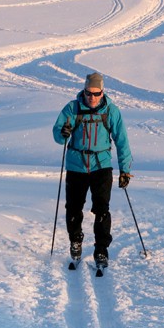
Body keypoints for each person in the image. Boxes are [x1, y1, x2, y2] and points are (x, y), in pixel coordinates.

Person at [52, 73, 132, 274]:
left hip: (101, 166)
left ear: (102, 92)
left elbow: (122, 141)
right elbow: (58, 134)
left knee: (102, 210)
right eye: (89, 93)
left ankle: (101, 249)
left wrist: (125, 170)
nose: (92, 98)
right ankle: (76, 241)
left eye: (96, 94)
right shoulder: (72, 108)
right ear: (84, 90)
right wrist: (63, 133)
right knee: (73, 208)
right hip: (76, 166)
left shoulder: (111, 111)